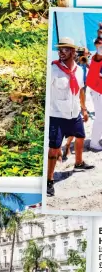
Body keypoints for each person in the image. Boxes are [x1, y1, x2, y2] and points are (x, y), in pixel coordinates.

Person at [47, 37, 94, 197]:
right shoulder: (53, 69)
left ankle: (79, 163)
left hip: (74, 112)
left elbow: (81, 90)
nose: (61, 51)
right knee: (54, 149)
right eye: (59, 49)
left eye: (65, 49)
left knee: (80, 136)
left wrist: (84, 109)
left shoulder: (80, 70)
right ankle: (49, 180)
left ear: (73, 52)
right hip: (57, 114)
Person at [86, 36, 102, 151]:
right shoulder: (97, 56)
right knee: (100, 117)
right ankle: (94, 143)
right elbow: (98, 55)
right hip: (97, 89)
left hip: (97, 87)